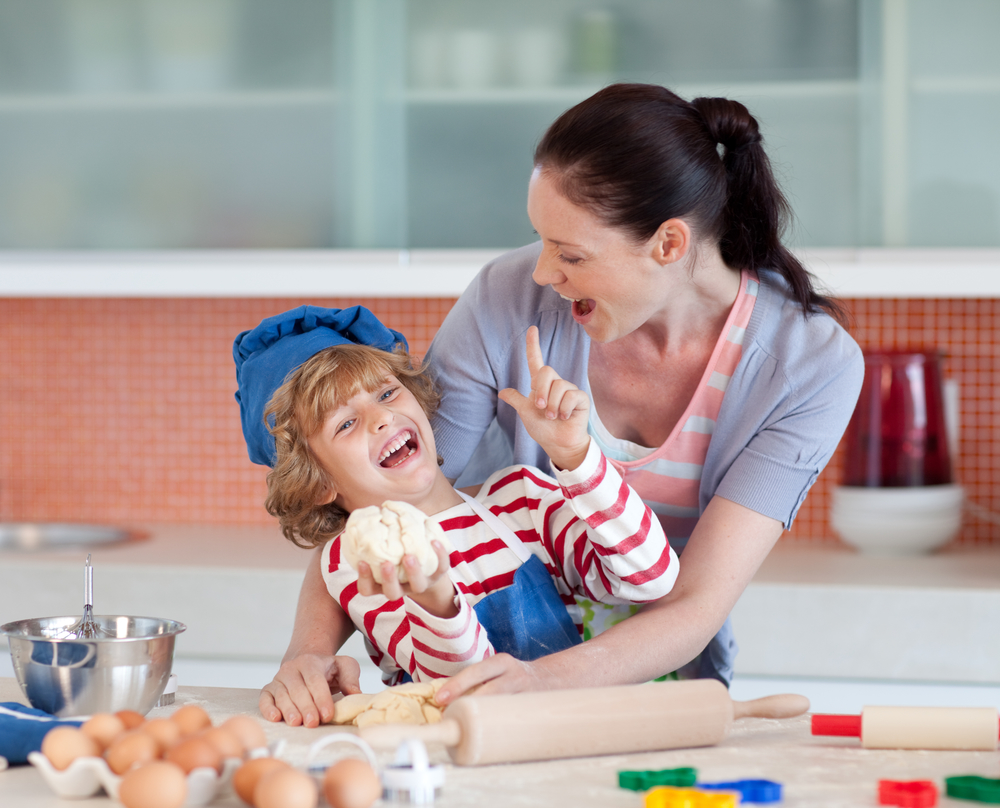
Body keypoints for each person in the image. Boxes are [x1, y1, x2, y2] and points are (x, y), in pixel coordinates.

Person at [263, 82, 864, 725]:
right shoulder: (506, 299)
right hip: (484, 688)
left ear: (668, 244)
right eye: (542, 240)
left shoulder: (809, 368)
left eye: (571, 254)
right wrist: (307, 652)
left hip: (657, 694)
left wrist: (541, 683)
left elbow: (691, 600)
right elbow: (393, 502)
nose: (542, 274)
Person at [234, 305, 678, 716]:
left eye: (387, 393)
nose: (381, 419)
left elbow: (650, 578)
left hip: (567, 735)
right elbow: (458, 694)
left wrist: (578, 457)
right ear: (319, 483)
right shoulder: (356, 562)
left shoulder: (521, 499)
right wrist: (433, 598)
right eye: (345, 423)